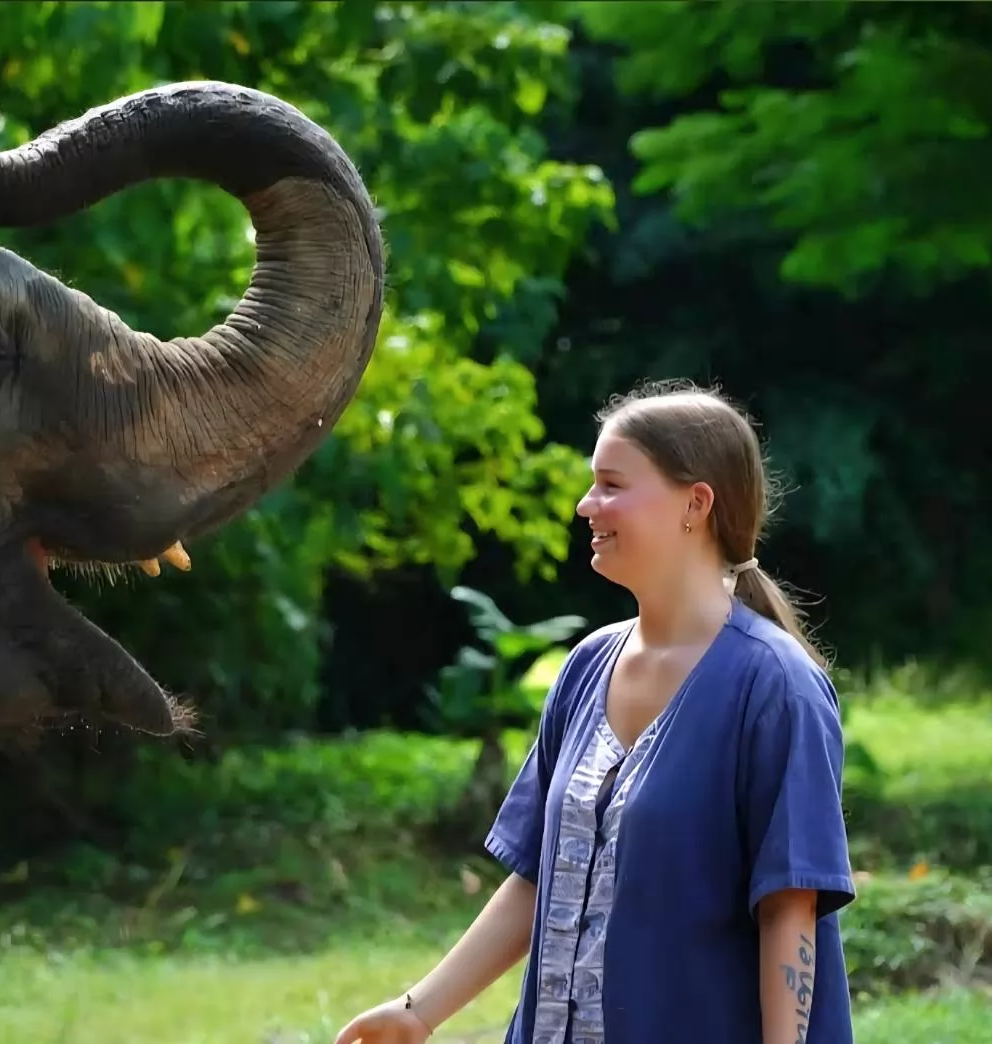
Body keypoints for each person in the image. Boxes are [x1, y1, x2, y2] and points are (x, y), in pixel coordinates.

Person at [332, 379, 856, 1044]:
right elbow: (536, 881)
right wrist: (417, 1011)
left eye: (611, 484)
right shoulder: (586, 668)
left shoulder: (776, 688)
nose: (586, 504)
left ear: (694, 504)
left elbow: (790, 908)